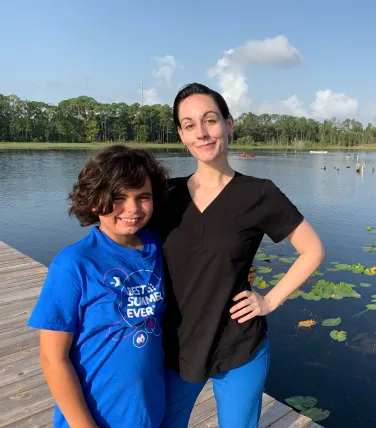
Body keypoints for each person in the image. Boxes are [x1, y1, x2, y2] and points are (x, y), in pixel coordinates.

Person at [158, 83, 325, 428]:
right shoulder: (165, 195)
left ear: (229, 124)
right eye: (189, 125)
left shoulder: (259, 193)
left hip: (239, 346)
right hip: (177, 345)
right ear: (181, 134)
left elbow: (312, 250)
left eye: (210, 120)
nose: (202, 133)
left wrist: (270, 301)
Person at [27, 145, 170, 428]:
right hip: (95, 417)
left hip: (149, 412)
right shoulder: (74, 264)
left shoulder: (159, 246)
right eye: (118, 197)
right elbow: (52, 358)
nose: (132, 208)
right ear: (94, 202)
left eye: (143, 197)